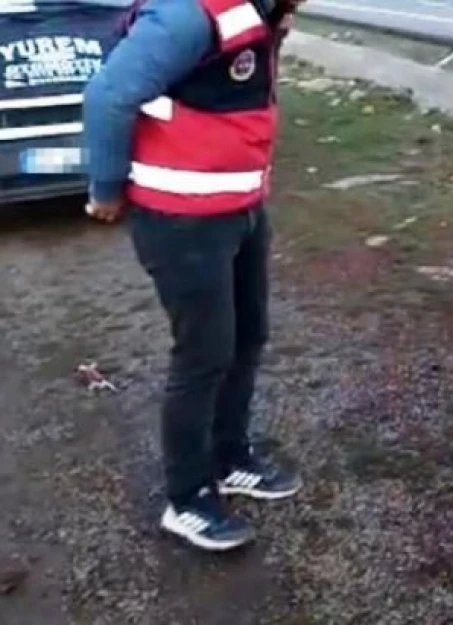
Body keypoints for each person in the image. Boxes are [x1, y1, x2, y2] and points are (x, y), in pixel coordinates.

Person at [82, 0, 303, 551]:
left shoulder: (257, 12)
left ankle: (230, 457)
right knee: (203, 354)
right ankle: (187, 498)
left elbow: (228, 88)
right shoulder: (189, 14)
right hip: (183, 218)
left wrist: (275, 28)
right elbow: (108, 96)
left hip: (240, 207)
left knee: (247, 336)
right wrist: (106, 189)